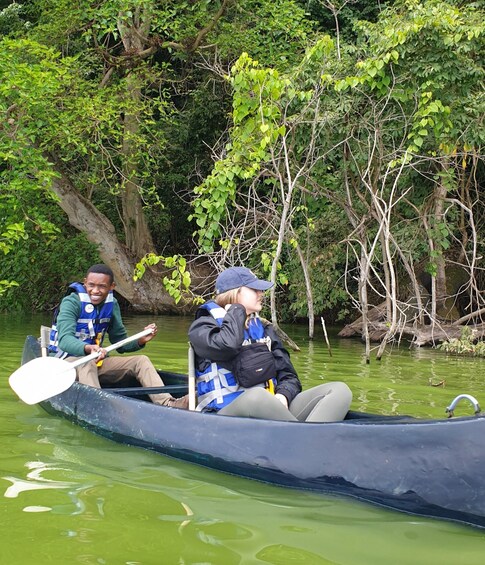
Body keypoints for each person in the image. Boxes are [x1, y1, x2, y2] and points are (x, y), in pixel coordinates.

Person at [188, 266, 352, 421]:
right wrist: (237, 310)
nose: (261, 293)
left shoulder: (264, 329)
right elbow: (227, 346)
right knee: (256, 397)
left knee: (339, 391)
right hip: (223, 416)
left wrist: (283, 394)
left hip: (272, 412)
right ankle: (304, 439)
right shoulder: (203, 327)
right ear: (235, 293)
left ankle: (305, 440)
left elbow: (289, 376)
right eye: (254, 289)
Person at [50, 263, 189, 409]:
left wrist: (140, 341)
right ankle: (99, 408)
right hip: (66, 364)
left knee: (141, 361)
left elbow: (120, 342)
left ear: (112, 287)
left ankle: (169, 403)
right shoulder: (71, 302)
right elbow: (64, 340)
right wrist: (89, 349)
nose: (95, 290)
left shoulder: (112, 304)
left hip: (95, 362)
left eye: (102, 286)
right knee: (87, 362)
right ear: (85, 283)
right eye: (91, 285)